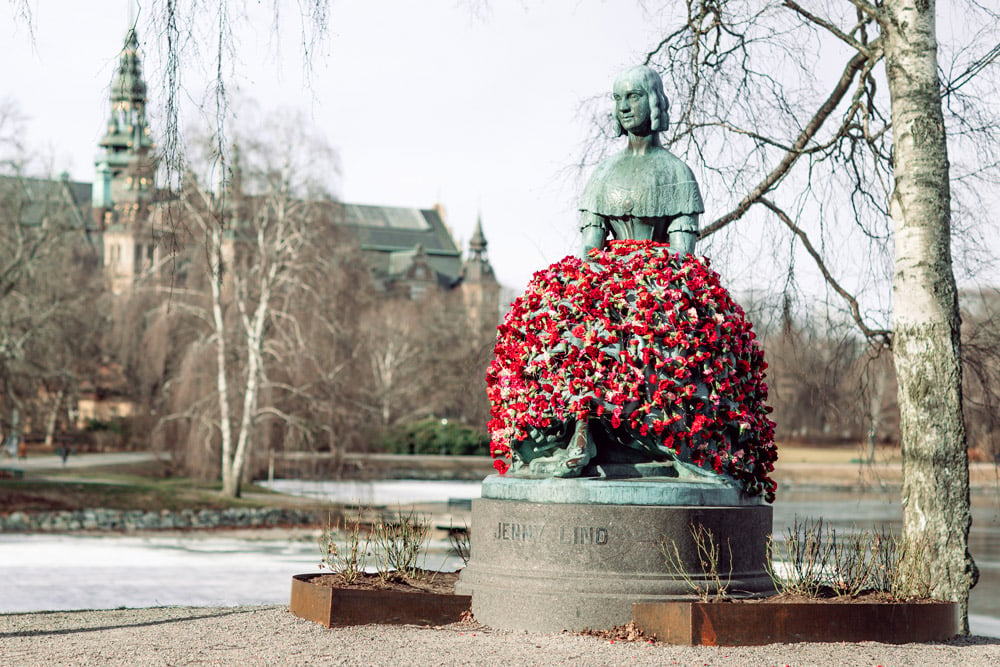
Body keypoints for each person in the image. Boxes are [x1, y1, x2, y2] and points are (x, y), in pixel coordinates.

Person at [579, 65, 703, 259]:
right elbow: (589, 248)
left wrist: (637, 260)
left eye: (634, 96)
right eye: (618, 98)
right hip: (609, 278)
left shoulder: (678, 173)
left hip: (661, 280)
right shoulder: (603, 173)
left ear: (654, 100)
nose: (623, 107)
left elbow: (683, 254)